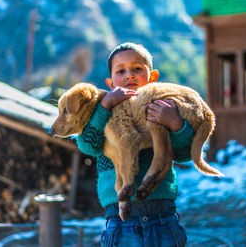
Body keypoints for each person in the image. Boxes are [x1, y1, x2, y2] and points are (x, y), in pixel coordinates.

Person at [76, 42, 194, 246]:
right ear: (111, 82)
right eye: (121, 71)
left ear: (153, 77)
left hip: (162, 218)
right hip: (121, 222)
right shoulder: (103, 114)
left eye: (137, 69)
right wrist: (105, 106)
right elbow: (88, 145)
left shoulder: (162, 108)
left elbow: (185, 153)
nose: (129, 75)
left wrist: (176, 123)